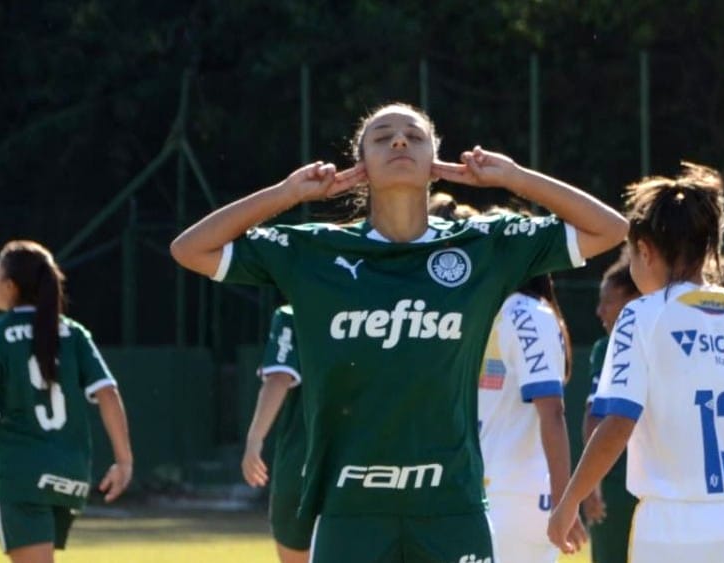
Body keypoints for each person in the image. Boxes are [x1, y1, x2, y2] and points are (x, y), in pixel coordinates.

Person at [170, 102, 627, 562]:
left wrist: (513, 178)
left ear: (436, 162)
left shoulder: (481, 245)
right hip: (349, 510)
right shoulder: (317, 250)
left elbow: (609, 229)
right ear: (360, 165)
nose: (399, 141)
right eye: (382, 136)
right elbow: (190, 249)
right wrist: (286, 194)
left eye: (414, 135)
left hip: (454, 508)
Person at [547, 163, 724, 563]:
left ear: (644, 251)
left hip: (675, 526)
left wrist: (569, 501)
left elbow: (617, 425)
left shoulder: (641, 316)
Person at [0, 240, 133, 563]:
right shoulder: (74, 333)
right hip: (70, 474)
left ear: (10, 286)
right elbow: (108, 393)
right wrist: (124, 461)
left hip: (21, 474)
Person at [478, 267, 579, 563]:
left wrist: (564, 502)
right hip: (492, 489)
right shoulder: (495, 311)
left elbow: (552, 411)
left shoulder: (526, 314)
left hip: (513, 494)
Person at [581, 251, 640, 563]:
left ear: (632, 300)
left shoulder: (611, 347)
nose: (600, 310)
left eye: (608, 301)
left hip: (617, 485)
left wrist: (591, 485)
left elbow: (595, 419)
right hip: (662, 488)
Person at [241, 304, 312, 563]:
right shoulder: (379, 310)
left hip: (304, 460)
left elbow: (278, 378)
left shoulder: (295, 314)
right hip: (368, 458)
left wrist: (255, 439)